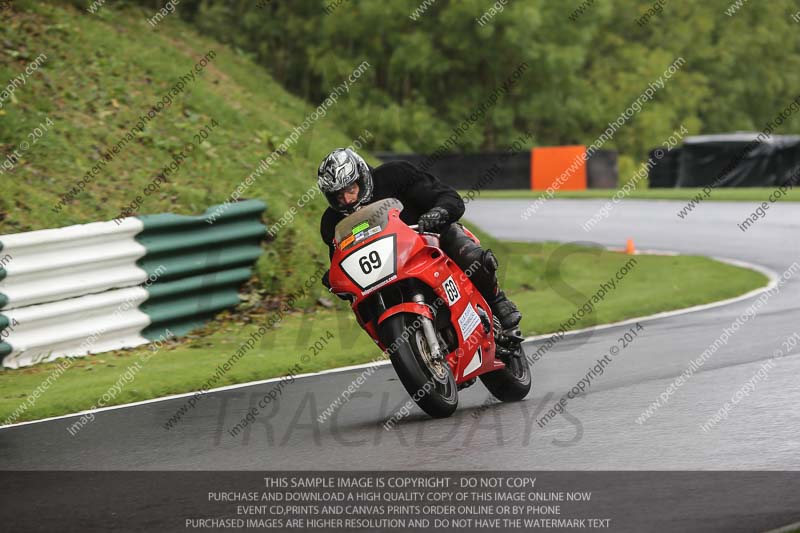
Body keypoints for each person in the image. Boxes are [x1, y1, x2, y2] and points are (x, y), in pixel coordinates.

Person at [317, 148, 521, 330]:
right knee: (363, 306)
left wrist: (439, 212)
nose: (347, 200)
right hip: (384, 274)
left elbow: (448, 196)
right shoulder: (331, 223)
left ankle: (497, 302)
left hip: (428, 246)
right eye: (338, 196)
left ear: (362, 177)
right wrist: (336, 279)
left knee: (456, 239)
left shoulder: (396, 175)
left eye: (351, 190)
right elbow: (340, 259)